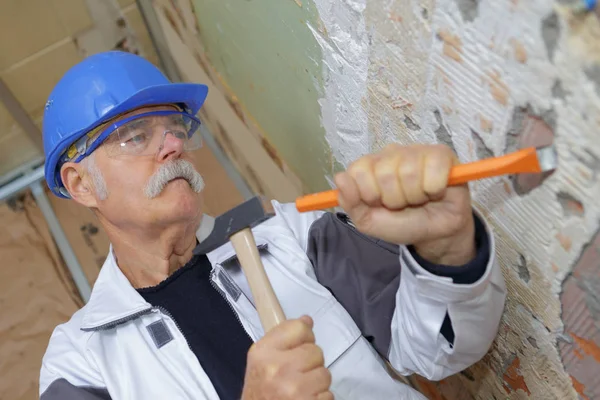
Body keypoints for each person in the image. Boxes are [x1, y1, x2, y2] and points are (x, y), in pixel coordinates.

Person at [39, 51, 506, 400]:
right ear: (80, 183)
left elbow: (440, 351)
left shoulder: (292, 234)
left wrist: (446, 252)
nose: (172, 146)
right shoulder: (81, 362)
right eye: (136, 135)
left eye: (176, 129)